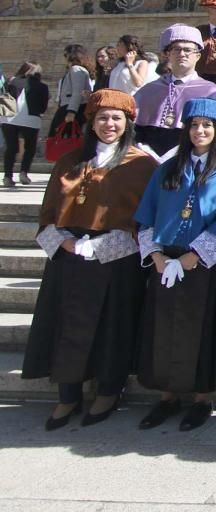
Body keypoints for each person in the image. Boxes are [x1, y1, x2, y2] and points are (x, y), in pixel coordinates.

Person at [24, 89, 158, 429]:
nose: (109, 124)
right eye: (102, 117)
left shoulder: (141, 164)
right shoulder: (69, 161)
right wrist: (66, 243)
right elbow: (50, 212)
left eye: (116, 118)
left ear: (128, 123)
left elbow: (146, 219)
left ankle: (109, 390)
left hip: (115, 257)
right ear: (91, 122)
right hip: (69, 254)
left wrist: (102, 247)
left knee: (112, 326)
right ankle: (68, 394)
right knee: (66, 324)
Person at [134, 97, 216, 432]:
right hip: (165, 259)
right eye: (195, 125)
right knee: (164, 327)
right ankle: (167, 396)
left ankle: (202, 399)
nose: (200, 131)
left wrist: (193, 257)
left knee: (203, 329)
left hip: (206, 261)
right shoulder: (169, 167)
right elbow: (147, 215)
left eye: (208, 126)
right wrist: (156, 256)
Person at [132, 25, 216, 157]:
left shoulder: (211, 92)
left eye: (187, 50)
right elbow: (135, 130)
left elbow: (215, 135)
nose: (182, 54)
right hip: (146, 158)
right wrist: (143, 150)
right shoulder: (148, 90)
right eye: (176, 49)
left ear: (197, 56)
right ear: (167, 54)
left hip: (190, 155)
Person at [3, 62, 47, 186]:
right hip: (31, 119)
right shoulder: (42, 86)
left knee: (11, 147)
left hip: (9, 118)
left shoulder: (11, 81)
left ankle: (7, 176)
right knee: (30, 147)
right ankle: (24, 173)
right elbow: (43, 108)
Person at [50, 44, 93, 136]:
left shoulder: (76, 69)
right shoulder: (74, 70)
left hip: (71, 108)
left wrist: (71, 112)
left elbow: (77, 92)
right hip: (68, 107)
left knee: (61, 138)